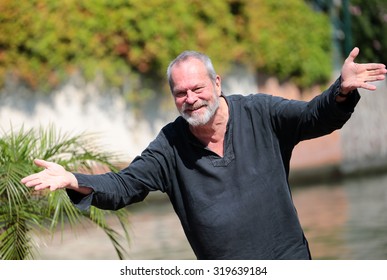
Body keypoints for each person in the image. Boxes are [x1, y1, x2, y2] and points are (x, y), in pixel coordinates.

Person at [21, 47, 386, 260]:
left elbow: (312, 116)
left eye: (197, 87)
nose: (190, 98)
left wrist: (341, 89)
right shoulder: (169, 145)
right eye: (180, 93)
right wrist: (75, 179)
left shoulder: (261, 113)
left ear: (216, 83)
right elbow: (125, 185)